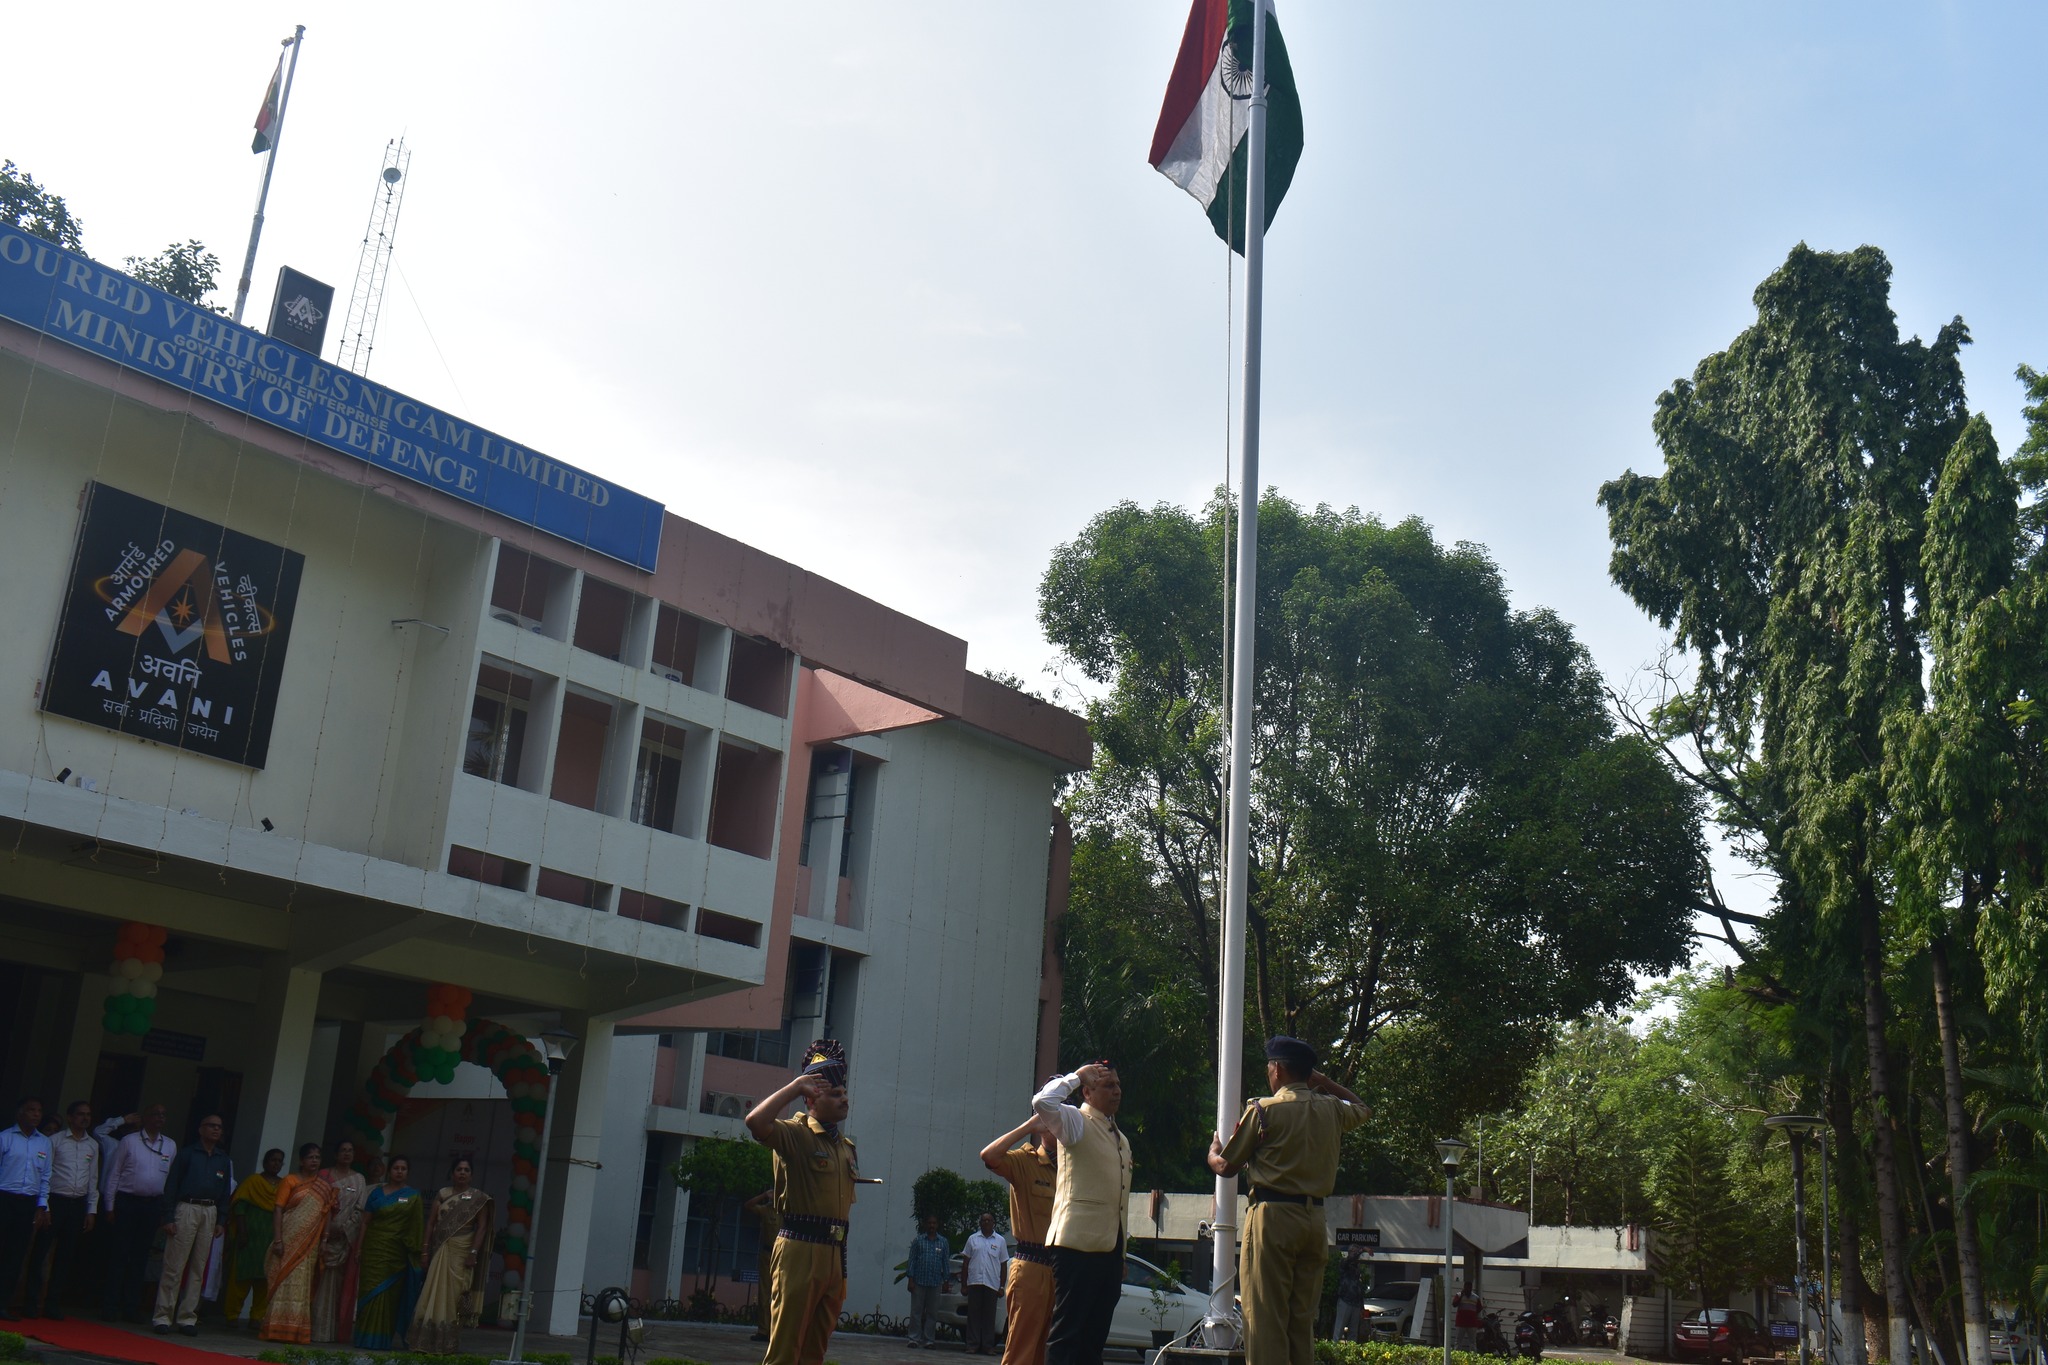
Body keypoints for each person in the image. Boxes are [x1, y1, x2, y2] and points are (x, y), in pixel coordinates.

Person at [1207, 1037, 1371, 1365]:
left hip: (1273, 1218)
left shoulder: (1264, 1110)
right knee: (1301, 1321)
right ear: (1309, 1074)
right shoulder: (1333, 1110)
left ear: (1278, 1069)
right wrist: (1324, 1083)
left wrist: (1212, 1151)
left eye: (1270, 1067)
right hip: (1313, 1222)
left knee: (1265, 1318)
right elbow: (1364, 1109)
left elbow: (1227, 1167)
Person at [745, 1039, 858, 1365]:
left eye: (844, 1093)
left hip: (835, 1253)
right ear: (811, 1099)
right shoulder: (796, 1133)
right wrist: (795, 1086)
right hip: (799, 1248)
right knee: (785, 1350)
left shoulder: (846, 1147)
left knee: (815, 1353)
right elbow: (755, 1123)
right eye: (835, 1094)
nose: (844, 1099)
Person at [1031, 1063, 1132, 1365]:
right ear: (1088, 1092)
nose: (1116, 1090)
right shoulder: (1076, 1121)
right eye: (1107, 1085)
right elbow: (1042, 1103)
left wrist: (1121, 1255)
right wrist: (1076, 1076)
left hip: (1109, 1250)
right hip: (1076, 1245)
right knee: (1067, 1335)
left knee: (1094, 1340)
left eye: (1117, 1084)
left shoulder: (1120, 1138)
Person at [981, 1118, 1058, 1365]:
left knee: (1044, 1355)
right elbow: (989, 1156)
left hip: (1061, 1269)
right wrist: (1030, 1126)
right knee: (1021, 1352)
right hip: (1031, 1265)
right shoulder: (1026, 1161)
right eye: (1050, 1113)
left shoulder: (1074, 1166)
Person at [153, 1113, 233, 1335]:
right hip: (186, 1207)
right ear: (201, 1129)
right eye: (211, 1126)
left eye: (219, 1127)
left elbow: (225, 1192)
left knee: (199, 1267)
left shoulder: (222, 1159)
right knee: (174, 1264)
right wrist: (168, 1217)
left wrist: (221, 1219)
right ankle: (163, 1316)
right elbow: (171, 1186)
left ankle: (187, 1317)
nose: (216, 1130)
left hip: (210, 1211)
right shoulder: (187, 1154)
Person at [101, 1102, 177, 1321]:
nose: (160, 1118)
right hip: (127, 1202)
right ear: (145, 1118)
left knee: (140, 1258)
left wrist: (166, 1211)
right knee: (119, 1255)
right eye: (155, 1114)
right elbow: (114, 1174)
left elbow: (170, 1180)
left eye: (163, 1114)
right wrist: (110, 1205)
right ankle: (110, 1305)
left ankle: (131, 1307)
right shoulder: (129, 1141)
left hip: (152, 1205)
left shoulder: (170, 1145)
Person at [412, 1156, 493, 1354]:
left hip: (462, 1251)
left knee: (454, 1294)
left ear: (471, 1175)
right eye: (459, 1169)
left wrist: (473, 1252)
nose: (462, 1173)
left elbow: (482, 1228)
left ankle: (446, 1342)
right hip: (440, 1250)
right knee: (432, 1291)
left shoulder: (478, 1199)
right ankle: (425, 1341)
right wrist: (424, 1249)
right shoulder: (442, 1194)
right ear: (453, 1173)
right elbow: (431, 1223)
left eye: (466, 1170)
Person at [27, 1101, 99, 1319]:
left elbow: (93, 1179)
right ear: (69, 1117)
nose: (84, 1118)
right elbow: (44, 1175)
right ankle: (31, 1301)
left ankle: (53, 1303)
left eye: (88, 1114)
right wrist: (44, 1206)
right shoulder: (54, 1141)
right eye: (80, 1114)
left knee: (66, 1256)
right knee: (41, 1252)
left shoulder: (92, 1145)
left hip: (77, 1204)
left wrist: (91, 1210)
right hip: (56, 1201)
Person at [261, 1145, 338, 1344]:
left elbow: (327, 1212)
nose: (314, 1160)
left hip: (309, 1243)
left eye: (318, 1157)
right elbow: (278, 1209)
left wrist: (324, 1239)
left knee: (302, 1284)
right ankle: (276, 1327)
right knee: (283, 1278)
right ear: (301, 1161)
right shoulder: (290, 1180)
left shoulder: (324, 1186)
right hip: (288, 1238)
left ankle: (296, 1330)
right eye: (310, 1157)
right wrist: (278, 1240)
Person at [354, 1154, 424, 1350]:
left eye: (403, 1168)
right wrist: (359, 1247)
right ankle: (363, 1338)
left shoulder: (413, 1196)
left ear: (407, 1172)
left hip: (397, 1254)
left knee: (389, 1297)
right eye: (396, 1168)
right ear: (389, 1170)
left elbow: (417, 1227)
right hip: (373, 1250)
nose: (399, 1171)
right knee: (369, 1293)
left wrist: (417, 1252)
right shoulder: (376, 1193)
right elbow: (365, 1222)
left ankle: (381, 1339)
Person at [0, 1099, 52, 1321]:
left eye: (40, 1111)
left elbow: (46, 1177)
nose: (36, 1115)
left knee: (16, 1255)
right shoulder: (5, 1137)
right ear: (19, 1113)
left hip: (27, 1202)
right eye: (31, 1110)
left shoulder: (45, 1143)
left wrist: (42, 1205)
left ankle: (3, 1303)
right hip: (4, 1198)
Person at [310, 1139, 367, 1342]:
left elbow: (360, 1210)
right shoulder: (323, 1176)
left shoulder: (359, 1180)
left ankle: (334, 1332)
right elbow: (315, 1204)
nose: (346, 1154)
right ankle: (315, 1329)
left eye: (350, 1150)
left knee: (341, 1287)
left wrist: (343, 1228)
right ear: (335, 1154)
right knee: (318, 1282)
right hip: (321, 1239)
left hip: (345, 1241)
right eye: (342, 1150)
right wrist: (326, 1231)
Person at [223, 1149, 286, 1327]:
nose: (276, 1163)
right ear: (265, 1162)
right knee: (240, 1277)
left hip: (270, 1239)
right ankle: (232, 1315)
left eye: (279, 1161)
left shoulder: (284, 1185)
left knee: (264, 1279)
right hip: (248, 1238)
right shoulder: (253, 1182)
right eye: (272, 1160)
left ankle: (257, 1316)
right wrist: (242, 1232)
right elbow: (239, 1207)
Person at [963, 1211, 1009, 1355]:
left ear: (993, 1223)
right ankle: (972, 1345)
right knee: (973, 1316)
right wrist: (964, 1284)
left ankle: (988, 1346)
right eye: (983, 1220)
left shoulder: (1000, 1241)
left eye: (989, 1220)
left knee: (989, 1317)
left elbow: (1003, 1265)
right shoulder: (972, 1239)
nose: (986, 1223)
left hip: (991, 1284)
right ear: (980, 1223)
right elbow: (966, 1263)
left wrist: (1001, 1286)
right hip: (975, 1282)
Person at [905, 1214, 951, 1348]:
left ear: (937, 1225)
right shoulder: (918, 1241)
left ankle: (929, 1340)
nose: (932, 1226)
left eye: (934, 1223)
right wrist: (910, 1279)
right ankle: (913, 1338)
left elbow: (945, 1263)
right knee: (916, 1312)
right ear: (926, 1225)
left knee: (932, 1313)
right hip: (919, 1282)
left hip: (935, 1283)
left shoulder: (943, 1242)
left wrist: (946, 1280)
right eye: (929, 1223)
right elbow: (912, 1261)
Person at [743, 1189, 778, 1342]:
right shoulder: (765, 1210)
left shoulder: (786, 1211)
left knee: (780, 1294)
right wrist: (764, 1195)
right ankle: (763, 1331)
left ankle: (776, 1331)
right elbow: (748, 1206)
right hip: (767, 1254)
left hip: (782, 1255)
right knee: (765, 1293)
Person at [1330, 1252, 1365, 1342]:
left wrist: (1361, 1306)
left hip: (1356, 1302)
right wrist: (1361, 1250)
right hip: (1345, 1300)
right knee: (1339, 1329)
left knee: (1353, 1332)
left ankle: (1351, 1353)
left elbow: (1359, 1288)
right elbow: (1349, 1260)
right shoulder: (1344, 1264)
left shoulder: (1357, 1268)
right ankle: (1335, 1352)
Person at [1453, 1284, 1481, 1352]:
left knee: (1473, 1342)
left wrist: (1473, 1313)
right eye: (1466, 1288)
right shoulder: (1459, 1295)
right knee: (1458, 1341)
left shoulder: (1476, 1297)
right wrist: (1461, 1296)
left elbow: (1480, 1308)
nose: (1468, 1290)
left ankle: (1473, 1356)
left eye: (1469, 1288)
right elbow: (1454, 1304)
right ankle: (1456, 1355)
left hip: (1472, 1323)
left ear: (1471, 1289)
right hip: (1460, 1322)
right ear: (1464, 1288)